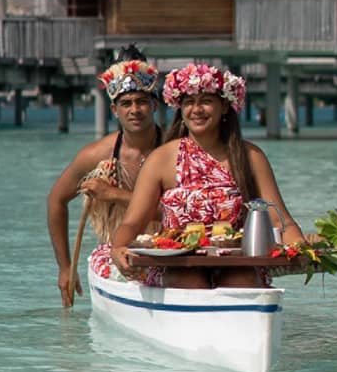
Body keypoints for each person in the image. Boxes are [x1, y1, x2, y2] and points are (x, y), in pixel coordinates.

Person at [111, 63, 305, 289]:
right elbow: (133, 222)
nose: (197, 109)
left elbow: (280, 220)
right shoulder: (161, 159)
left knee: (242, 282)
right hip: (175, 264)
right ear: (181, 109)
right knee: (191, 281)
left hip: (237, 263)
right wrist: (118, 248)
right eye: (189, 102)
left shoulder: (250, 156)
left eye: (206, 101)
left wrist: (299, 248)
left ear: (225, 106)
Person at [47, 47, 164, 306]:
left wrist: (113, 195)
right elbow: (56, 200)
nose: (135, 110)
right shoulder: (97, 155)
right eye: (126, 104)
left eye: (142, 102)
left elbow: (185, 212)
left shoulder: (175, 150)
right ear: (114, 109)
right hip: (117, 252)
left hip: (169, 250)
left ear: (154, 104)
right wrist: (65, 267)